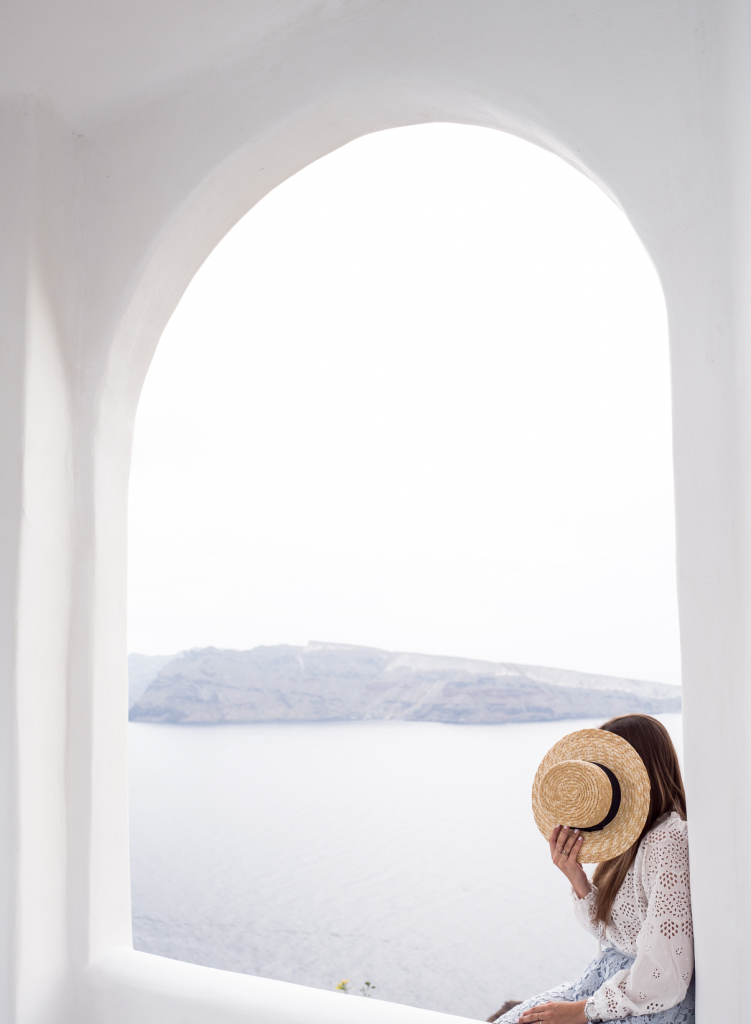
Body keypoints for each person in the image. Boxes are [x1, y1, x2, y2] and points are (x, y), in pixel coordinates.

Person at [494, 714, 694, 1024]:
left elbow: (665, 970)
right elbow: (616, 935)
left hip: (649, 1003)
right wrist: (577, 879)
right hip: (610, 986)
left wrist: (582, 1011)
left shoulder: (667, 839)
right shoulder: (631, 838)